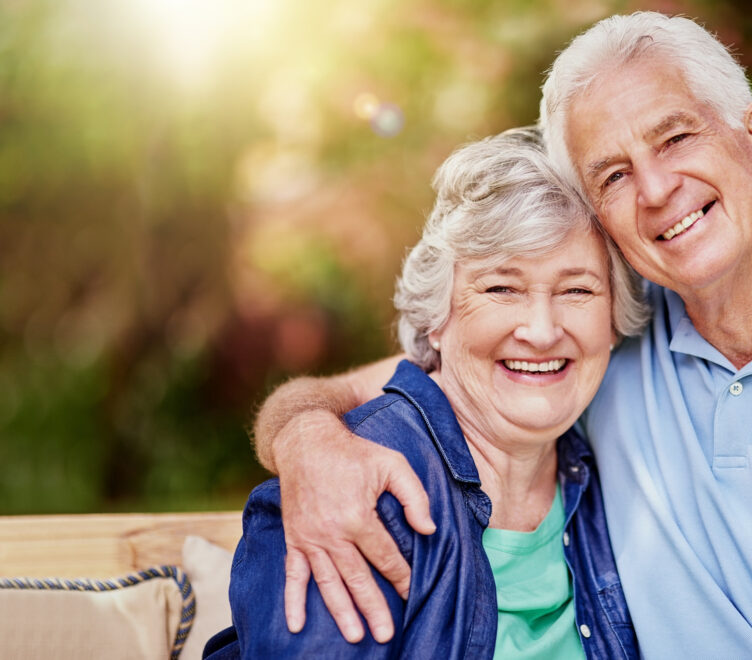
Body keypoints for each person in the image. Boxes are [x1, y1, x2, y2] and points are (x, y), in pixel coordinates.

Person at [250, 12, 752, 658]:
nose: (655, 190)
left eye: (676, 138)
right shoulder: (595, 345)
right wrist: (309, 442)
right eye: (612, 176)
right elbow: (393, 383)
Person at [203, 127, 645, 658]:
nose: (542, 329)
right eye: (501, 288)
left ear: (614, 320)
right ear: (437, 319)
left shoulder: (606, 473)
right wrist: (304, 432)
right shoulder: (352, 497)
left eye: (577, 289)